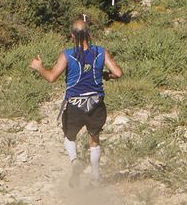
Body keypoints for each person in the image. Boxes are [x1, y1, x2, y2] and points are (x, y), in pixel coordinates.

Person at [30, 17, 123, 184]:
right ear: (89, 34)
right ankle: (96, 176)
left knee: (69, 137)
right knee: (94, 138)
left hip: (74, 105)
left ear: (71, 35)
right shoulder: (101, 52)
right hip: (96, 104)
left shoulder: (67, 55)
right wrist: (105, 75)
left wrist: (39, 68)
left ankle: (74, 161)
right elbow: (118, 73)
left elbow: (51, 77)